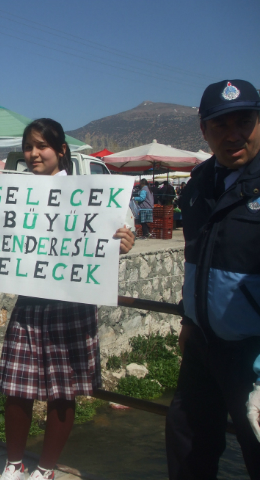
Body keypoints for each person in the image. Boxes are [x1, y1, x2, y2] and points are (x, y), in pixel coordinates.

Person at [0, 119, 134, 480]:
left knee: (63, 389)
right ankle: (13, 463)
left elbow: (118, 234)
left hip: (73, 303)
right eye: (28, 147)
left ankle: (46, 469)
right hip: (31, 302)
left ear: (61, 151)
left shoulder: (91, 192)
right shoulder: (15, 192)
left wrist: (125, 242)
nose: (34, 154)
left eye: (42, 146)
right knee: (17, 386)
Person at [166, 79, 260, 479]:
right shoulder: (199, 182)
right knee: (187, 445)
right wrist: (189, 318)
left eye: (244, 122)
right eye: (221, 125)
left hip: (252, 352)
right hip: (202, 345)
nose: (233, 134)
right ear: (204, 130)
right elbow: (196, 260)